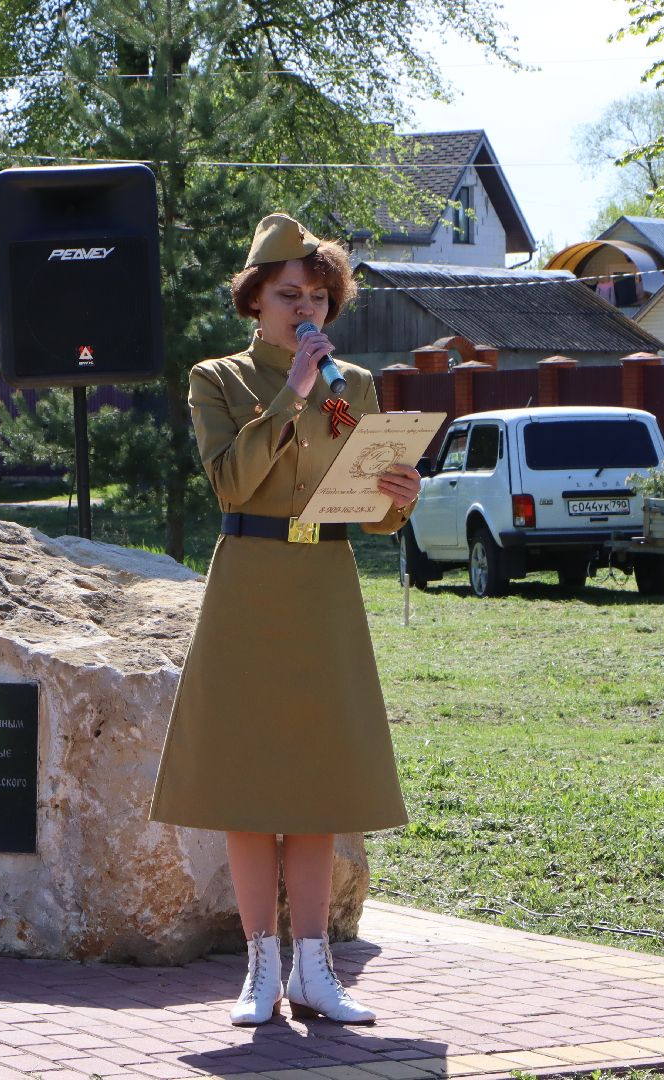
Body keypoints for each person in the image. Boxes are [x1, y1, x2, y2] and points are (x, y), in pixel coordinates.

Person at [149, 213, 420, 1027]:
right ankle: (259, 969)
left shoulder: (359, 386)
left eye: (320, 297)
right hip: (249, 587)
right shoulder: (219, 379)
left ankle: (314, 969)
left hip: (323, 588)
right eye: (291, 295)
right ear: (256, 301)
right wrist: (294, 393)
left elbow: (366, 511)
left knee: (314, 791)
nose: (309, 310)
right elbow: (233, 484)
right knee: (249, 790)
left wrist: (395, 504)